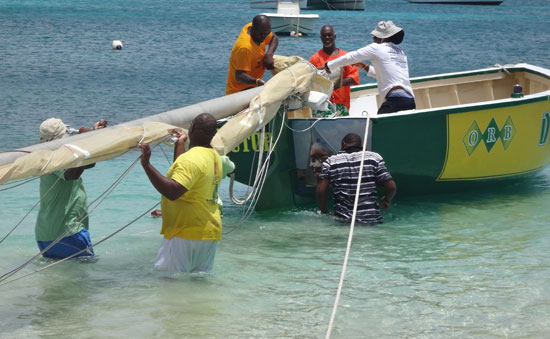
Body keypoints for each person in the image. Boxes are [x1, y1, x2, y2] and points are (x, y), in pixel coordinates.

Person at [139, 113, 224, 273]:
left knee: (168, 283)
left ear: (192, 127)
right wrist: (181, 143)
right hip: (208, 233)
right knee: (198, 285)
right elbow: (184, 173)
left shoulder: (191, 160)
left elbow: (173, 191)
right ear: (213, 134)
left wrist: (147, 165)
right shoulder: (214, 156)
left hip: (185, 232)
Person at [35, 117, 107, 259]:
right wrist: (87, 140)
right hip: (67, 232)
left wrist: (94, 136)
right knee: (83, 276)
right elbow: (72, 174)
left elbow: (88, 163)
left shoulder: (49, 156)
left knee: (57, 279)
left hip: (44, 235)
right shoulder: (54, 158)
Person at [323, 21, 415, 114]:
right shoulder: (401, 53)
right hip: (410, 101)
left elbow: (351, 57)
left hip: (394, 101)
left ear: (384, 37)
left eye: (376, 36)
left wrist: (329, 65)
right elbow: (384, 74)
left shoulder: (376, 48)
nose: (373, 38)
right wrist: (364, 66)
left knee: (377, 128)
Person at [316, 133, 396, 224]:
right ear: (360, 145)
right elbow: (391, 187)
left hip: (343, 222)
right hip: (372, 221)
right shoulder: (374, 158)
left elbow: (321, 191)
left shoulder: (331, 161)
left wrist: (324, 211)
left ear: (343, 144)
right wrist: (386, 199)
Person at [309, 25, 359, 117]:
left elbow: (354, 78)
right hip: (321, 104)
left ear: (334, 37)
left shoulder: (345, 57)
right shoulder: (315, 59)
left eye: (329, 35)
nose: (327, 38)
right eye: (324, 36)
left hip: (341, 103)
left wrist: (339, 83)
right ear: (321, 38)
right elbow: (309, 80)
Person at [225, 15, 279, 95]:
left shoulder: (259, 29)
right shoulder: (245, 48)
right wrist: (256, 81)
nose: (264, 37)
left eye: (266, 34)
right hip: (238, 91)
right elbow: (239, 76)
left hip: (254, 84)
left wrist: (269, 54)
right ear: (253, 29)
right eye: (261, 34)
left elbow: (274, 37)